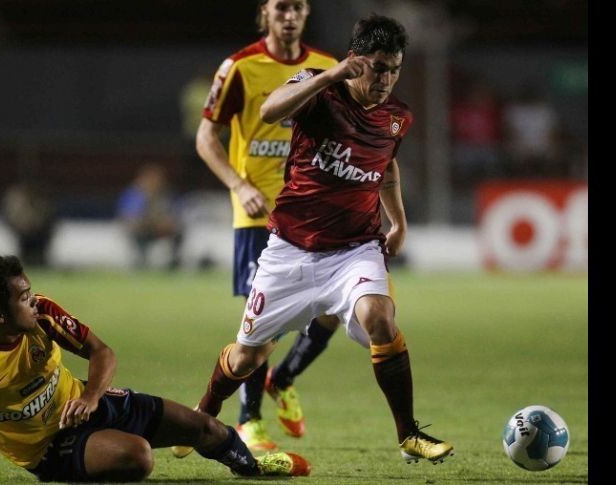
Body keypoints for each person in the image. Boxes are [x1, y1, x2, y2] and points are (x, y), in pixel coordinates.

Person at [188, 14, 454, 465]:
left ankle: (409, 433)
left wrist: (400, 223)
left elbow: (386, 167)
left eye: (394, 68)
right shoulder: (318, 87)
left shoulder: (398, 117)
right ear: (355, 62)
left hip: (355, 249)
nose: (385, 78)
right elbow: (270, 111)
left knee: (380, 317)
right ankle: (202, 416)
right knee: (246, 358)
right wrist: (330, 73)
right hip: (290, 248)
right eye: (376, 66)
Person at [0, 255, 311, 482]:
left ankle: (253, 470)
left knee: (206, 427)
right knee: (138, 457)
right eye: (23, 298)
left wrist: (89, 396)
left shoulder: (43, 315)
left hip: (89, 403)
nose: (34, 302)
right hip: (50, 448)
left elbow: (102, 352)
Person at [183, 0, 339, 455]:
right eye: (280, 7)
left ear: (306, 13)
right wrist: (237, 184)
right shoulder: (240, 67)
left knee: (334, 307)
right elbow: (205, 136)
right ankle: (249, 419)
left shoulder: (326, 67)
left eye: (297, 7)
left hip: (313, 212)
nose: (289, 15)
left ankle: (284, 378)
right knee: (262, 326)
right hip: (258, 214)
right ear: (265, 13)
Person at [116, 163, 183, 269]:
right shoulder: (135, 194)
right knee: (137, 233)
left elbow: (174, 213)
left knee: (179, 231)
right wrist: (152, 223)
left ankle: (174, 260)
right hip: (142, 230)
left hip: (160, 229)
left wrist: (168, 222)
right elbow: (130, 218)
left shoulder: (165, 193)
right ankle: (141, 261)